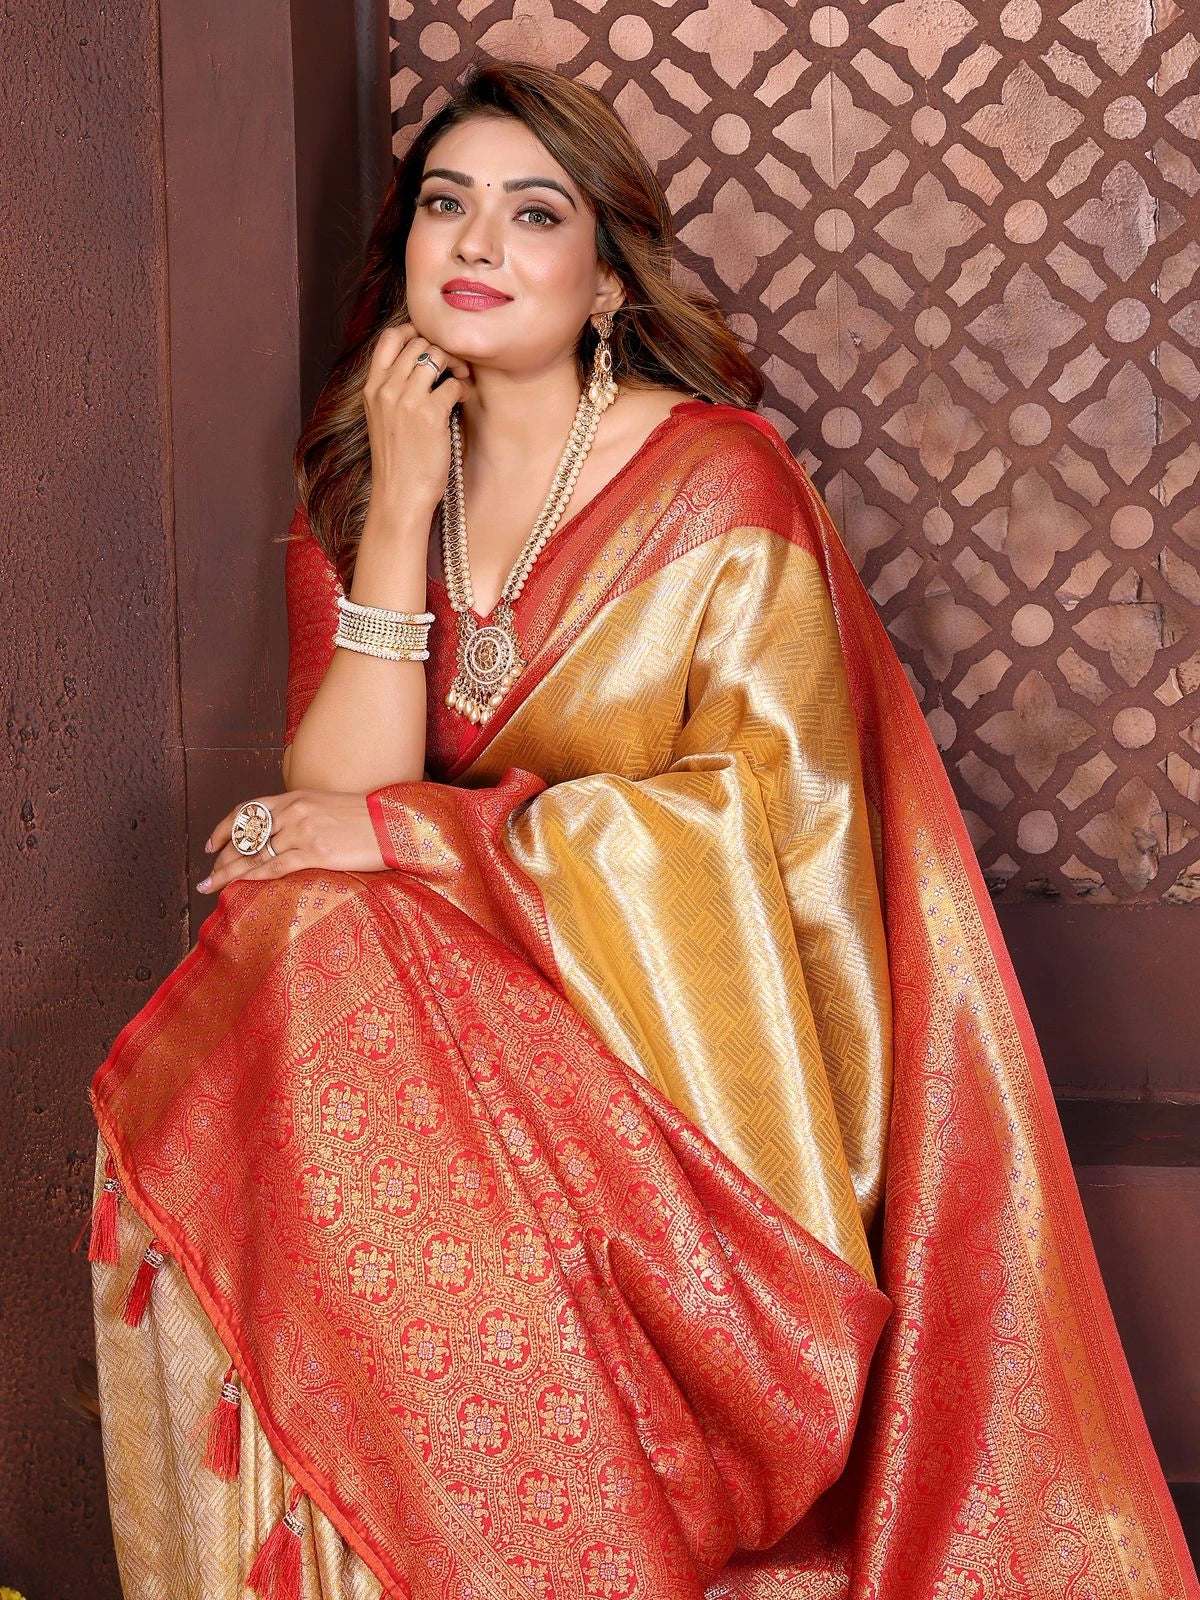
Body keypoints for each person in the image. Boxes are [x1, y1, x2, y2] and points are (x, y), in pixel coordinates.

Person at [85, 59, 1197, 1600]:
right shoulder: (365, 478)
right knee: (302, 934)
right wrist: (400, 517)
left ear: (605, 277)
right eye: (444, 206)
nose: (475, 243)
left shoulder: (718, 487)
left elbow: (765, 838)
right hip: (446, 1036)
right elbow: (330, 798)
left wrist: (429, 849)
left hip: (692, 1074)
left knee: (337, 922)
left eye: (532, 214)